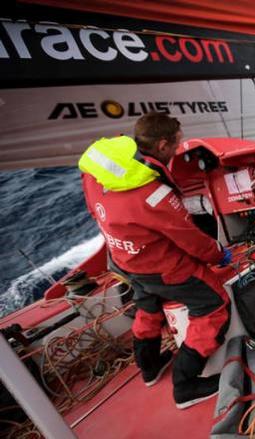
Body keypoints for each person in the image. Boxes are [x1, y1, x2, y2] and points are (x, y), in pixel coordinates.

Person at [78, 112, 232, 409]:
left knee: (148, 307)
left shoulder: (99, 173)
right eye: (176, 143)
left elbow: (94, 210)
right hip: (163, 269)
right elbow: (191, 240)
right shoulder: (154, 195)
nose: (178, 148)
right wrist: (218, 254)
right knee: (214, 307)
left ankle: (149, 368)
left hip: (126, 261)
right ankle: (186, 385)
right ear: (162, 145)